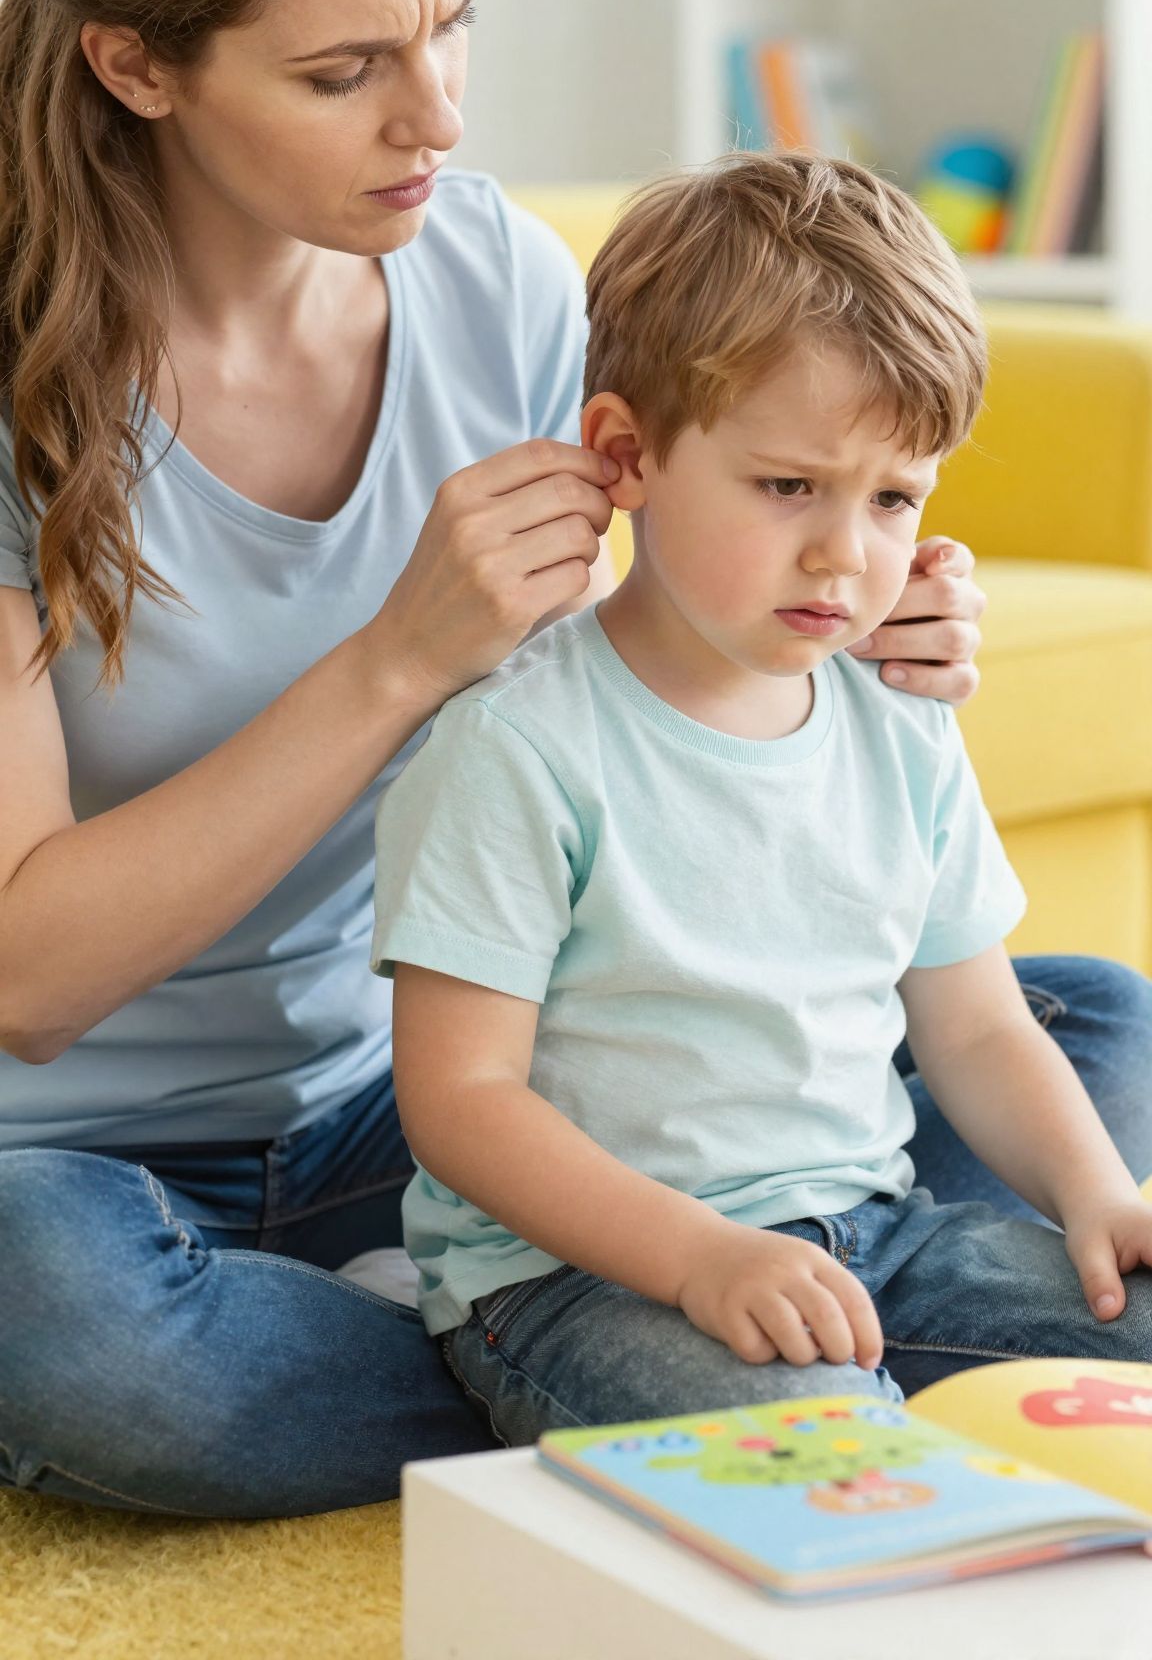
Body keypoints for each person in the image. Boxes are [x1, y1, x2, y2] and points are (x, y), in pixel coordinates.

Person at [0, 0, 1142, 1521]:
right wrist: (390, 663)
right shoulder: (19, 382)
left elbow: (651, 685)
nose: (435, 117)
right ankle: (610, 1358)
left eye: (452, 24)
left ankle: (654, 1349)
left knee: (1077, 1019)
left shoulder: (498, 282)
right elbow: (28, 979)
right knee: (83, 1338)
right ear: (137, 62)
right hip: (89, 1158)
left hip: (439, 1085)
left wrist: (866, 626)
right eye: (342, 69)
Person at [374, 151, 1152, 1442]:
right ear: (626, 454)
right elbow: (461, 1103)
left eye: (894, 498)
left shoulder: (896, 712)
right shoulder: (516, 744)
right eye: (790, 485)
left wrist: (1097, 1198)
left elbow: (977, 1029)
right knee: (817, 1447)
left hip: (876, 1236)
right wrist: (702, 1260)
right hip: (582, 1281)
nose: (847, 553)